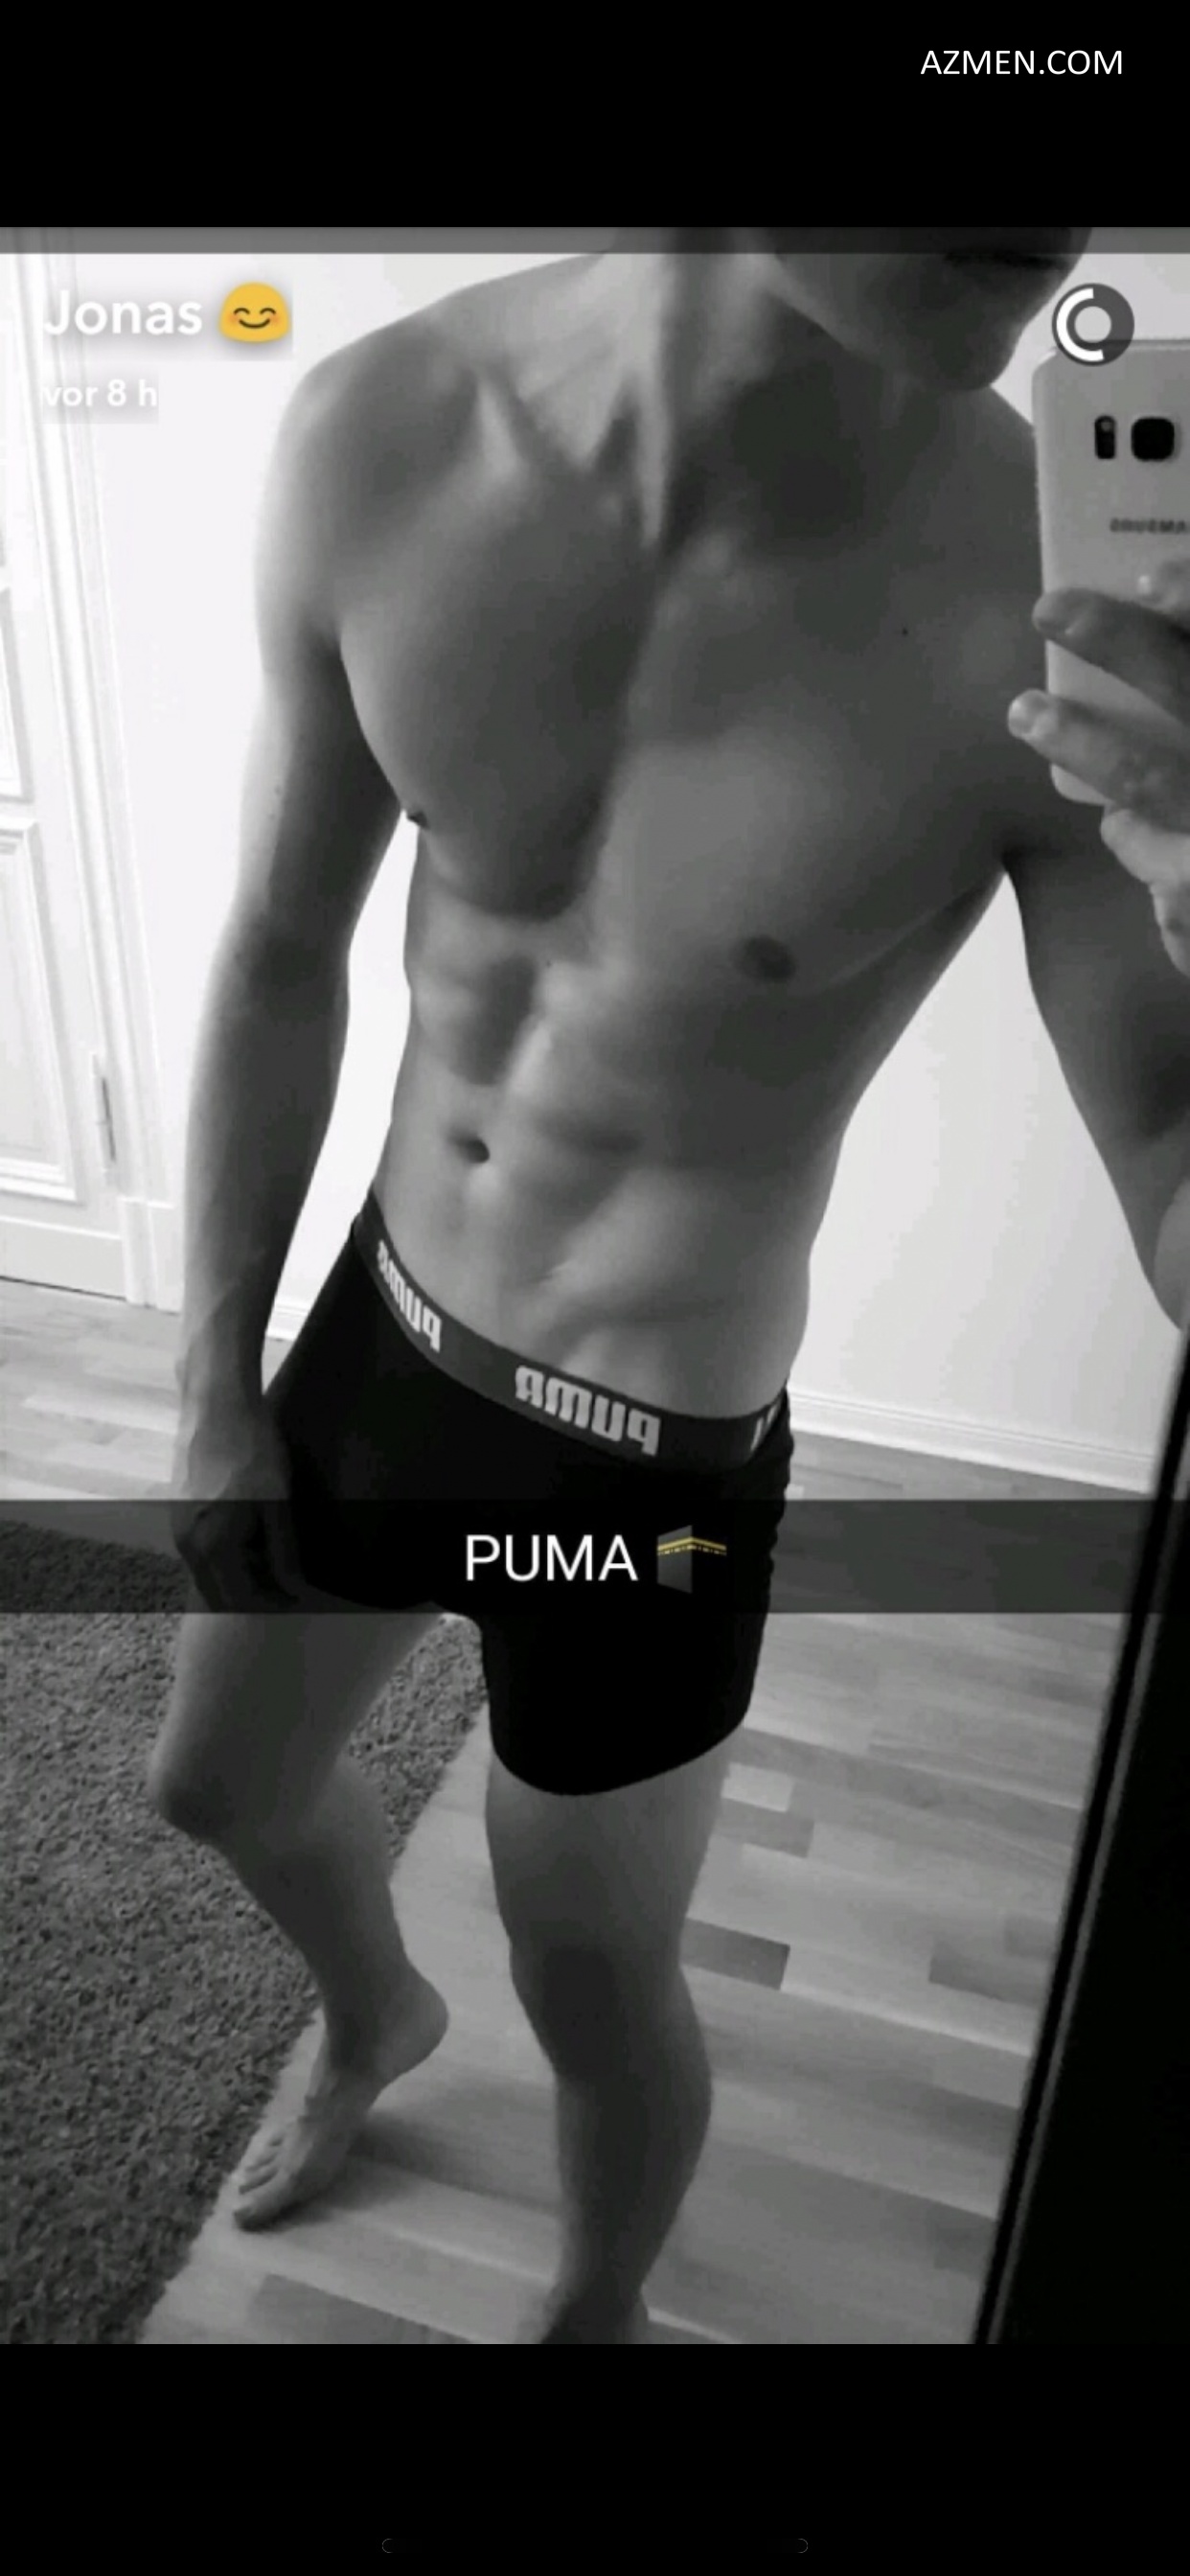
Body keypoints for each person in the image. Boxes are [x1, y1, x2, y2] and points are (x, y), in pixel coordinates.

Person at [149, 231, 1190, 2344]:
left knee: (592, 1972)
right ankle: (376, 2014)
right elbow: (275, 951)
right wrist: (211, 1376)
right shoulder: (385, 435)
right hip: (383, 1343)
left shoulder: (1057, 608)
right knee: (215, 1789)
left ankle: (596, 2315)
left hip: (648, 1466)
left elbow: (1169, 1160)